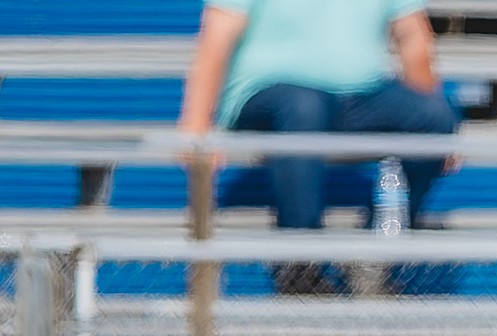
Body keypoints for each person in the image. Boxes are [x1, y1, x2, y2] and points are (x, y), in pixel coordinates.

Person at [177, 0, 459, 259]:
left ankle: (378, 255)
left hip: (357, 98)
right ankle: (300, 264)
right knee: (304, 106)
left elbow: (413, 38)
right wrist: (197, 124)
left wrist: (435, 141)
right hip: (266, 95)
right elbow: (216, 36)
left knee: (434, 115)